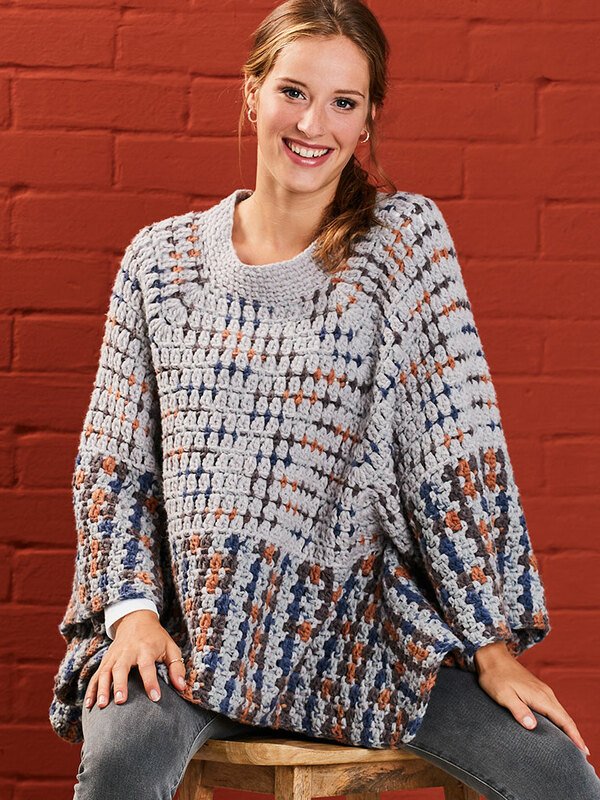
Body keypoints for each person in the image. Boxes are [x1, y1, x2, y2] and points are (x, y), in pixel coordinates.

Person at [49, 1, 600, 799]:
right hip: (191, 643)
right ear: (252, 93)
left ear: (368, 119)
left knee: (557, 773)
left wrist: (491, 645)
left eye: (344, 102)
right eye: (294, 92)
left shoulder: (404, 247)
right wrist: (131, 612)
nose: (314, 124)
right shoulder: (160, 263)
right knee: (121, 762)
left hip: (367, 645)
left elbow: (454, 450)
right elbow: (115, 461)